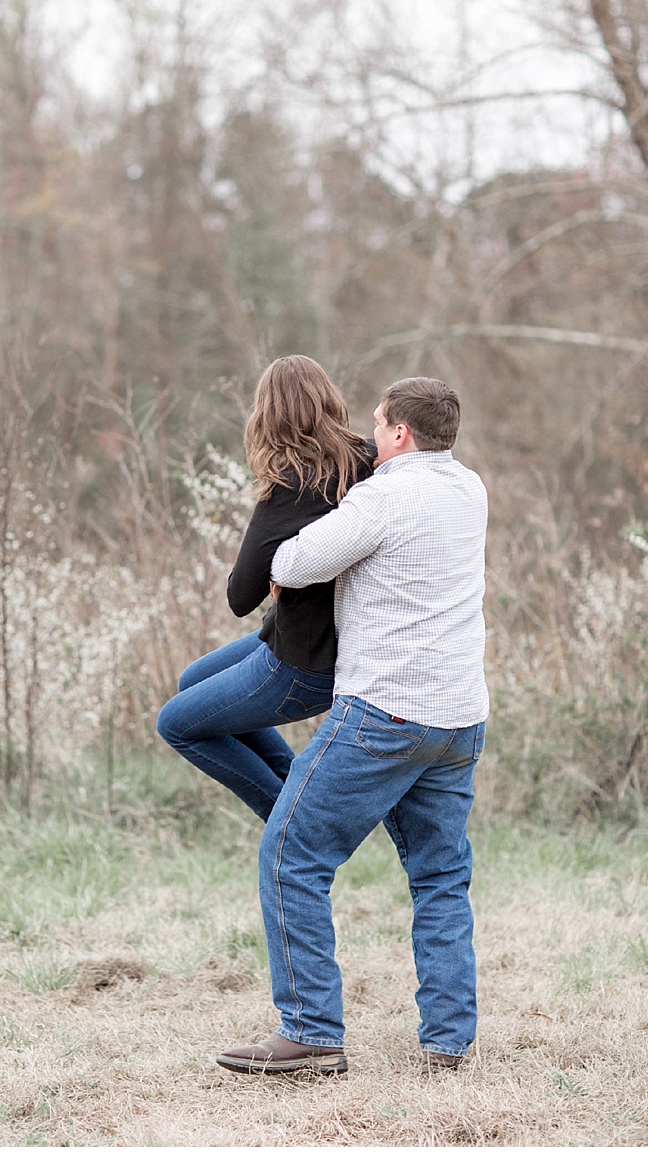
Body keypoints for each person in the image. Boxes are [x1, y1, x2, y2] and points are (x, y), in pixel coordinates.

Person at [217, 376, 489, 1077]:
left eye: (377, 424)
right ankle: (447, 1043)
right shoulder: (470, 490)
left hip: (384, 715)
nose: (370, 436)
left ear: (400, 432)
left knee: (289, 857)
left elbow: (291, 563)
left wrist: (286, 555)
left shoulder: (383, 497)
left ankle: (311, 1032)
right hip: (459, 721)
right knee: (440, 878)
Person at [157, 355, 376, 821]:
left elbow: (239, 597)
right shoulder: (370, 460)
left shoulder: (291, 485)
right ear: (329, 400)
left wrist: (276, 564)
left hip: (305, 664)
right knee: (192, 681)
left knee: (175, 723)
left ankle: (292, 825)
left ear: (266, 416)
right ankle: (301, 804)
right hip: (341, 642)